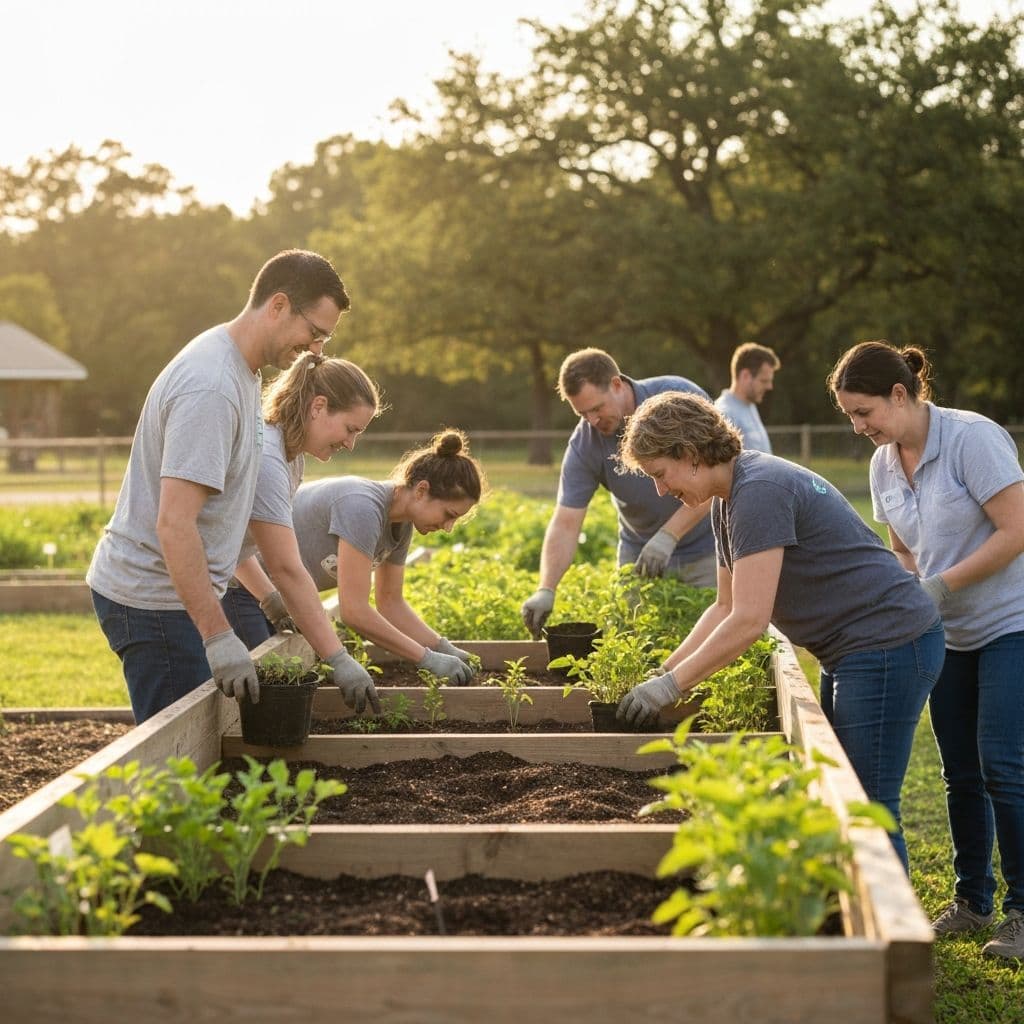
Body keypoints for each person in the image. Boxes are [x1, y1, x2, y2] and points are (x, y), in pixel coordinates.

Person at [616, 390, 944, 873]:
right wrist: (660, 671)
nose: (661, 491)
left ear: (687, 454)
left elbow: (750, 621)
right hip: (854, 647)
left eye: (660, 475)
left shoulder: (759, 492)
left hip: (888, 641)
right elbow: (723, 606)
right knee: (841, 790)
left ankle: (895, 937)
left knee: (865, 803)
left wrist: (669, 688)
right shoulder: (728, 498)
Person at [87, 249, 350, 723]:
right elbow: (175, 523)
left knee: (204, 748)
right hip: (154, 599)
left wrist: (265, 597)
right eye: (314, 333)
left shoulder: (242, 372)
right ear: (278, 305)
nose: (315, 350)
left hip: (175, 593)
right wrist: (217, 634)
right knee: (182, 761)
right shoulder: (211, 387)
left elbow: (219, 518)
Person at [829, 341, 1024, 961]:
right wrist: (915, 592)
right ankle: (972, 901)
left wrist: (941, 586)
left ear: (900, 393)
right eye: (850, 418)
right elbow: (903, 548)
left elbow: (1018, 528)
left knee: (1002, 763)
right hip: (946, 632)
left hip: (1010, 621)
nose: (859, 428)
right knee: (958, 771)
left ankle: (1022, 912)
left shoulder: (973, 438)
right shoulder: (884, 465)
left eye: (864, 413)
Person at [223, 352, 384, 715]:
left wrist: (268, 598)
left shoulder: (290, 456)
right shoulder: (267, 459)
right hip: (161, 593)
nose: (350, 443)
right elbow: (286, 568)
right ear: (319, 407)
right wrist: (338, 658)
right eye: (350, 429)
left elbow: (237, 541)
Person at [520, 348, 717, 639]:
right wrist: (546, 588)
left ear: (616, 384)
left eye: (597, 408)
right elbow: (565, 522)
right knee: (632, 643)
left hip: (707, 548)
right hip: (639, 555)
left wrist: (669, 535)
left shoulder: (678, 398)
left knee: (710, 643)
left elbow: (717, 478)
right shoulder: (585, 444)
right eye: (582, 413)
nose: (592, 420)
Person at [285, 429, 486, 685]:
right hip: (249, 589)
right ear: (422, 490)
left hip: (287, 601)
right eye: (448, 514)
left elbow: (390, 602)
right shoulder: (363, 508)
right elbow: (354, 611)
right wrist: (426, 658)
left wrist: (442, 647)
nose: (448, 528)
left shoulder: (401, 526)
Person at [714, 342, 780, 453]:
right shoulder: (723, 414)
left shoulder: (750, 405)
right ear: (745, 376)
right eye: (764, 381)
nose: (770, 387)